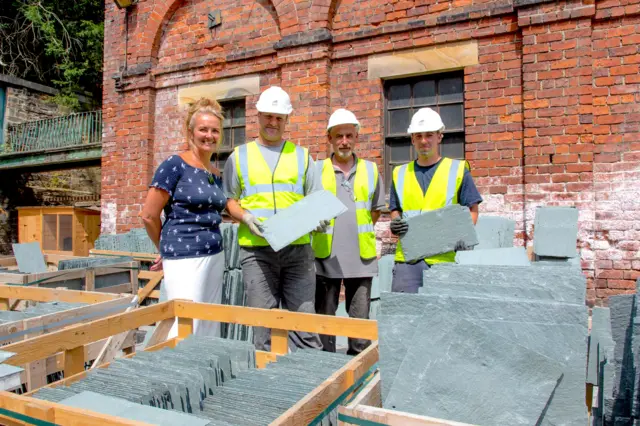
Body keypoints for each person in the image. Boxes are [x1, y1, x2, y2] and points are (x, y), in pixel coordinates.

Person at [223, 86, 326, 352]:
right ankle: (268, 387)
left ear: (287, 120)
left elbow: (316, 200)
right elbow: (228, 199)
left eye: (279, 118)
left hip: (298, 251)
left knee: (304, 324)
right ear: (258, 116)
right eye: (268, 116)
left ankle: (308, 386)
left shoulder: (302, 156)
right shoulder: (239, 157)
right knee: (264, 327)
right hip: (257, 254)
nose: (273, 122)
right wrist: (245, 217)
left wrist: (320, 218)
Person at [140, 98, 227, 337]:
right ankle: (179, 373)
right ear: (190, 131)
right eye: (203, 129)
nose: (209, 135)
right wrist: (164, 248)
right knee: (184, 325)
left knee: (209, 323)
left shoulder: (214, 173)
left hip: (214, 254)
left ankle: (205, 373)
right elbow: (149, 215)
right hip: (184, 256)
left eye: (214, 130)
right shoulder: (175, 165)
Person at [313, 108, 385, 355]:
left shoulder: (371, 170)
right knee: (325, 321)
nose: (344, 141)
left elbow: (375, 211)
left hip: (360, 259)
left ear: (356, 138)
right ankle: (326, 371)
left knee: (359, 323)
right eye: (339, 136)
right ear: (329, 139)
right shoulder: (316, 170)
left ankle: (359, 371)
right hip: (325, 258)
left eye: (349, 136)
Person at [388, 107, 482, 293]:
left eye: (429, 135)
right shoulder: (399, 173)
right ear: (412, 139)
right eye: (419, 135)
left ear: (439, 136)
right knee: (404, 316)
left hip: (444, 259)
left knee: (443, 318)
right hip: (408, 259)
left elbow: (472, 210)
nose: (424, 141)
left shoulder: (458, 170)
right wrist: (395, 222)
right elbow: (395, 208)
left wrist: (460, 235)